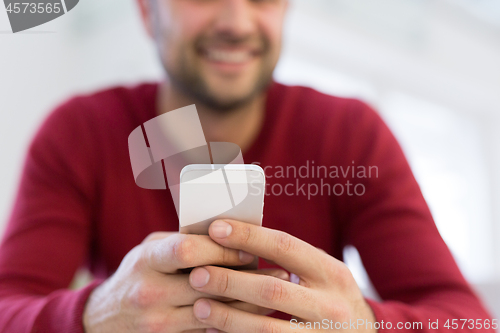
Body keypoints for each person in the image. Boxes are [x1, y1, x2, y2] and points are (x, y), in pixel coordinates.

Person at [0, 0, 494, 332]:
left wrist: (365, 324)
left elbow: (469, 322)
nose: (237, 23)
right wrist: (92, 314)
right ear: (148, 13)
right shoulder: (79, 132)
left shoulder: (352, 133)